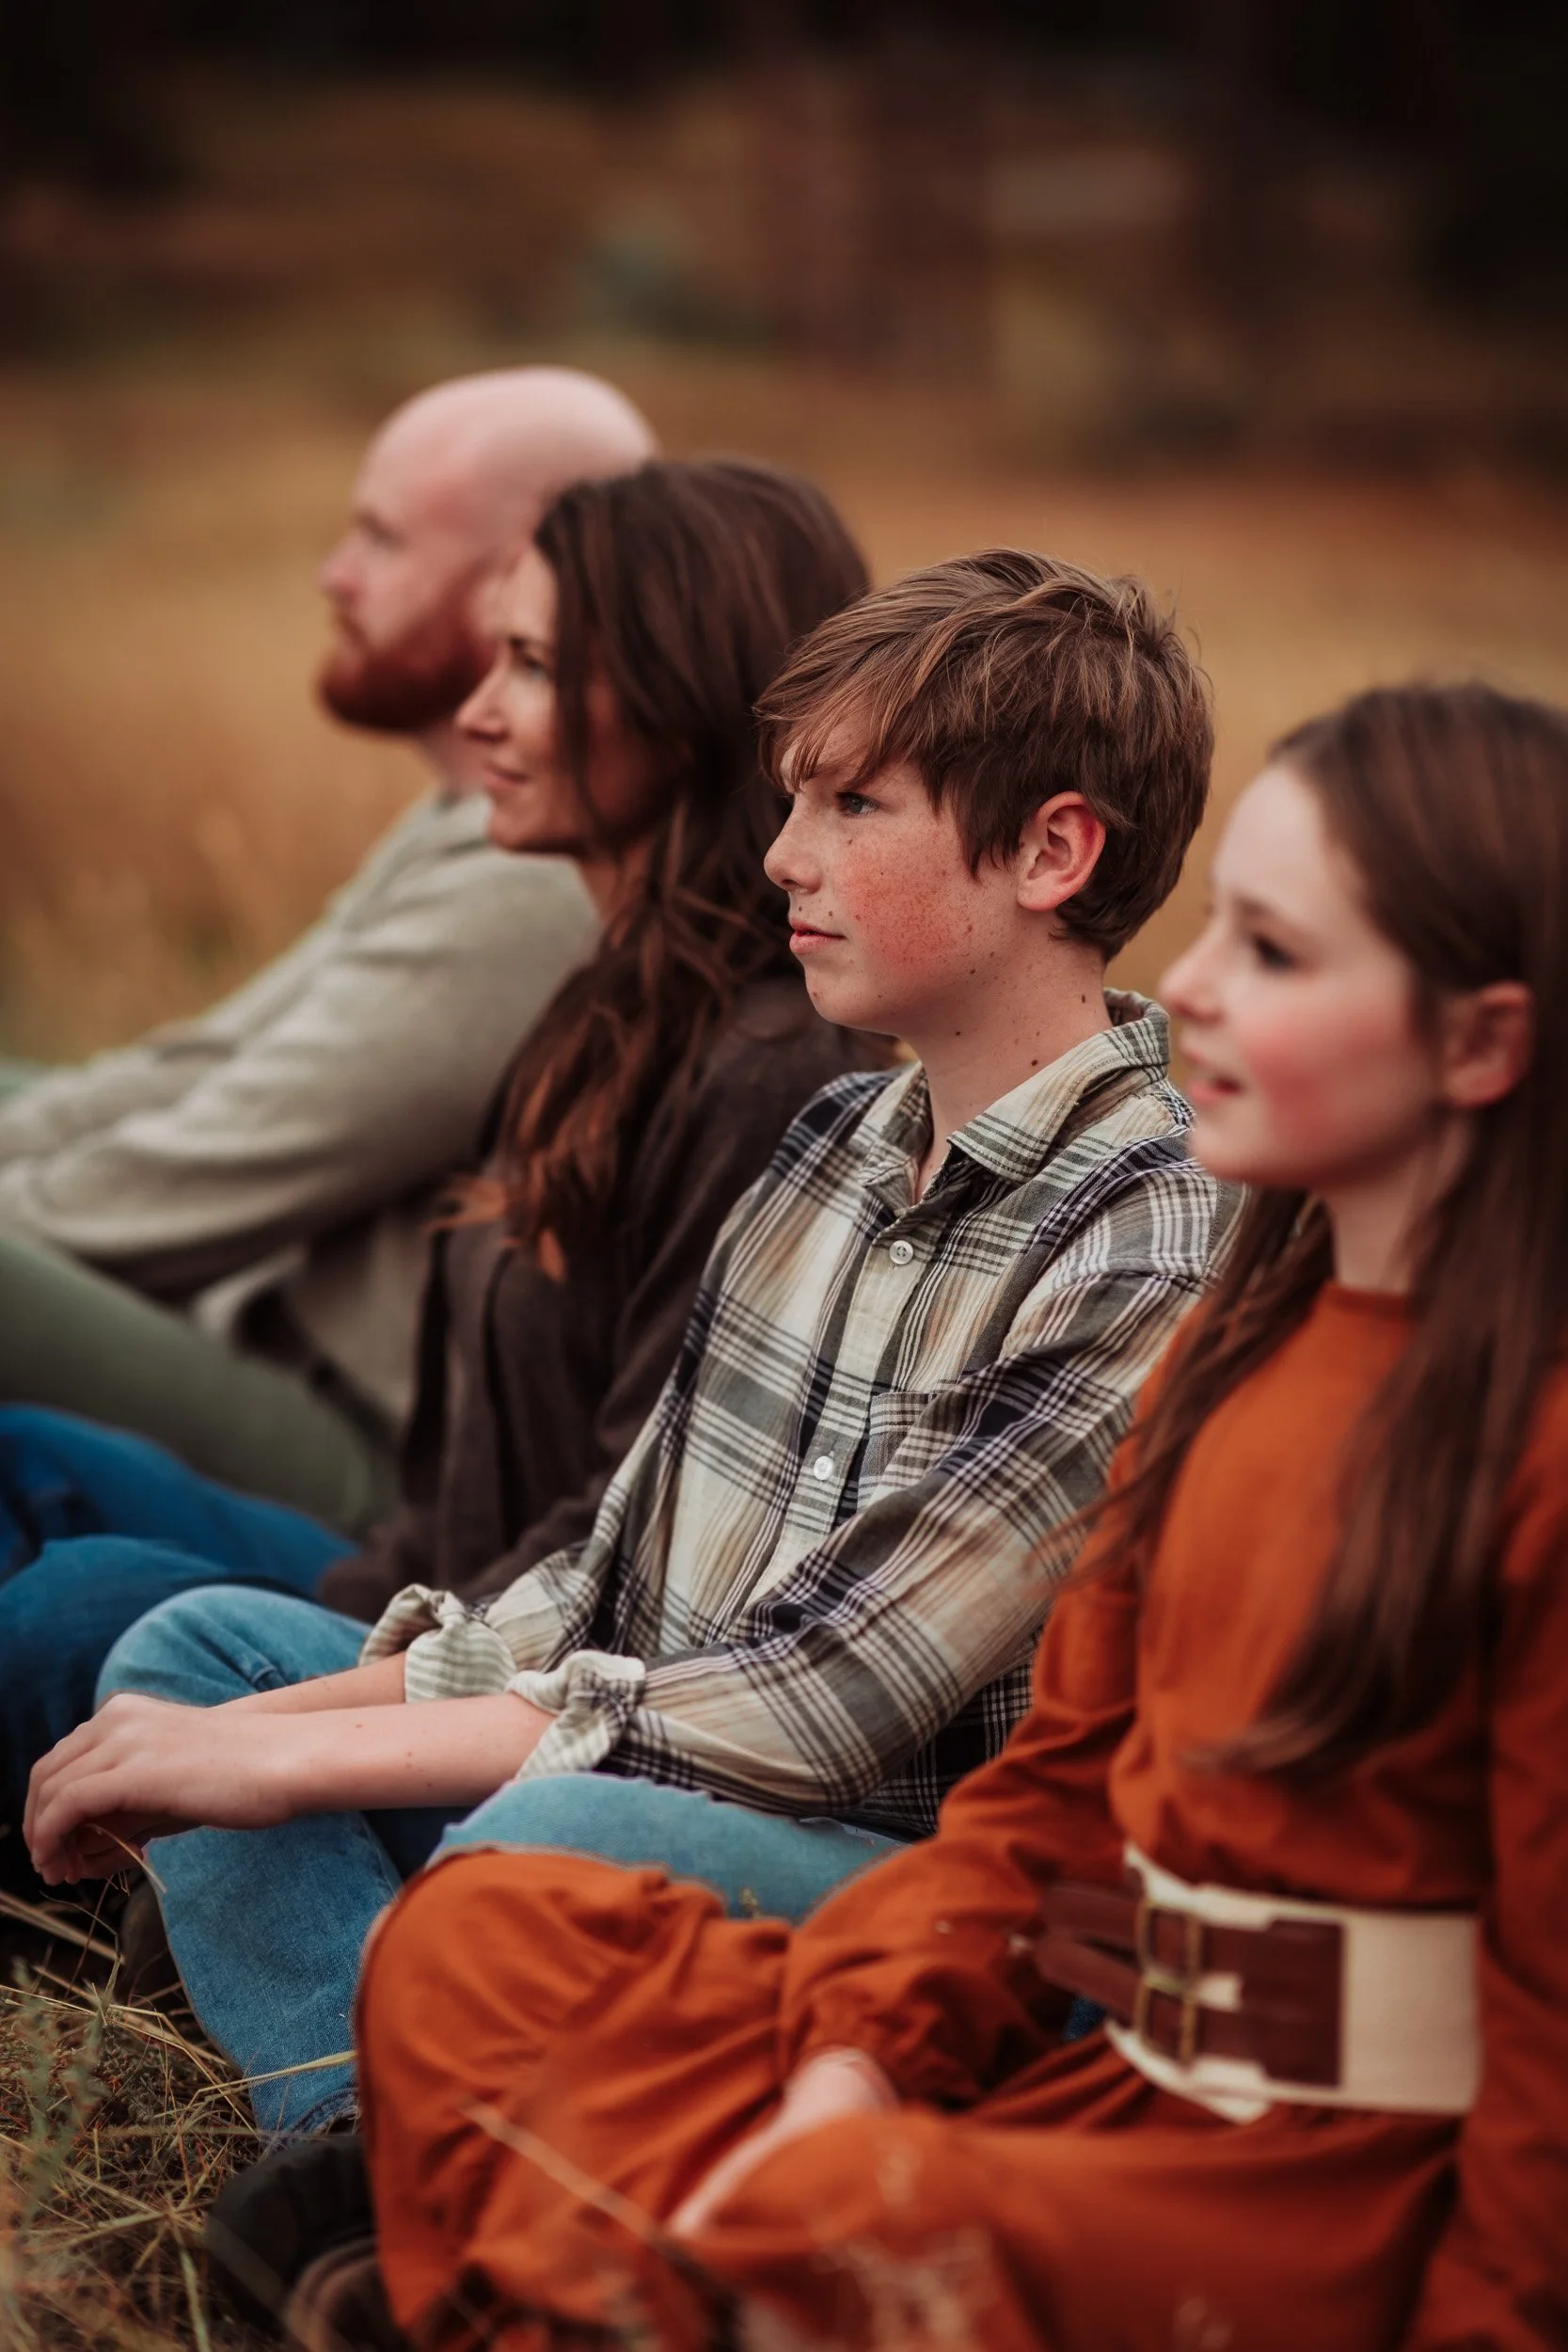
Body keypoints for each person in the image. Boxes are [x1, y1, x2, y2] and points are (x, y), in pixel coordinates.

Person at [313, 681, 1567, 2352]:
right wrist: (858, 2064)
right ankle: (671, 2283)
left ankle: (607, 2290)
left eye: (1271, 953)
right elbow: (1048, 1806)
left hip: (1310, 2202)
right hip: (1081, 2070)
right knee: (484, 1939)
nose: (1184, 983)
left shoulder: (1528, 1445)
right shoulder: (1234, 1357)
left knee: (849, 2214)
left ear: (1481, 1041)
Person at [29, 548, 1234, 2195]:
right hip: (647, 1755)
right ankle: (369, 2144)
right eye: (791, 800)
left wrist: (282, 1762)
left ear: (1051, 849)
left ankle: (410, 2151)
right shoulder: (833, 1140)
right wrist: (238, 1725)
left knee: (548, 1841)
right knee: (195, 1652)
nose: (782, 857)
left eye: (854, 807)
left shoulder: (1150, 1232)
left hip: (897, 1879)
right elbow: (602, 1588)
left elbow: (823, 1710)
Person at [1, 455, 875, 1878]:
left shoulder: (768, 1074)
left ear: (673, 701)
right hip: (413, 1577)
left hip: (505, 1656)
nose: (476, 716)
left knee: (85, 1613)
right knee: (35, 1463)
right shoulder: (599, 1008)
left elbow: (634, 1538)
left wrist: (318, 1660)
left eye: (529, 667)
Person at [0, 368, 656, 1533]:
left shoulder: (537, 883)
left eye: (381, 537)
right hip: (262, 1348)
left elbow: (196, 1180)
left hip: (374, 1465)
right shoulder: (472, 824)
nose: (332, 573)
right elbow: (200, 1067)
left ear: (519, 573)